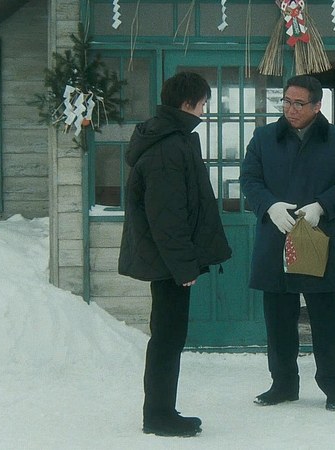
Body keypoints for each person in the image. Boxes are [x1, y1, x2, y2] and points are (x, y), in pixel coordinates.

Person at [118, 72, 232, 437]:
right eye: (202, 105)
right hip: (168, 264)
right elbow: (167, 218)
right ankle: (158, 415)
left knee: (167, 336)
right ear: (187, 104)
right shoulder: (168, 148)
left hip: (167, 261)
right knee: (167, 338)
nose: (203, 111)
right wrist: (185, 267)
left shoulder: (171, 138)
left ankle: (162, 409)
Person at [240, 75, 335, 412]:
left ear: (317, 106)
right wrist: (269, 205)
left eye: (298, 103)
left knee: (326, 319)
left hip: (318, 238)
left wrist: (322, 206)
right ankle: (283, 385)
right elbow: (249, 178)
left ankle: (334, 387)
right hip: (276, 238)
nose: (290, 109)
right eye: (286, 101)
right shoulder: (264, 137)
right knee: (278, 318)